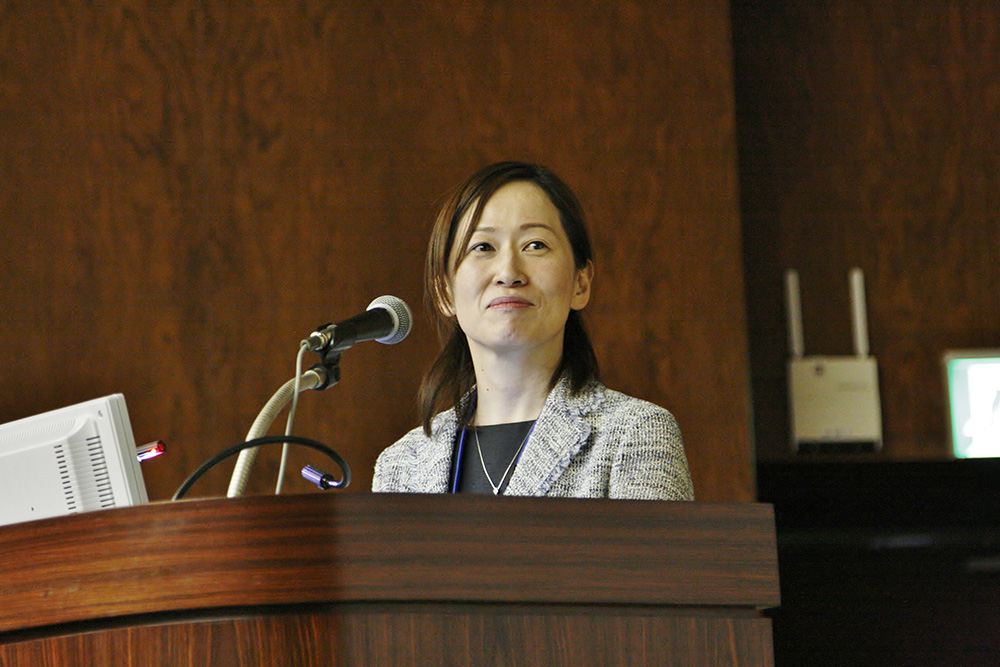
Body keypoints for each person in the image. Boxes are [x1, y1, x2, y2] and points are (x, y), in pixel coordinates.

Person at [372, 161, 694, 500]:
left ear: (581, 283)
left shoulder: (636, 433)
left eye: (535, 245)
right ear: (444, 291)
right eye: (483, 247)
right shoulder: (400, 465)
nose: (508, 273)